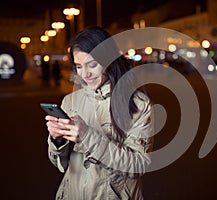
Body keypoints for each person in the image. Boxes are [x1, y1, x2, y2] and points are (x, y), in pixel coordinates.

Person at [45, 26, 154, 200]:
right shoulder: (70, 101)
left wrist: (88, 136)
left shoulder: (138, 104)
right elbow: (61, 163)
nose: (85, 74)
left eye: (92, 65)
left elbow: (138, 165)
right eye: (79, 66)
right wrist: (57, 140)